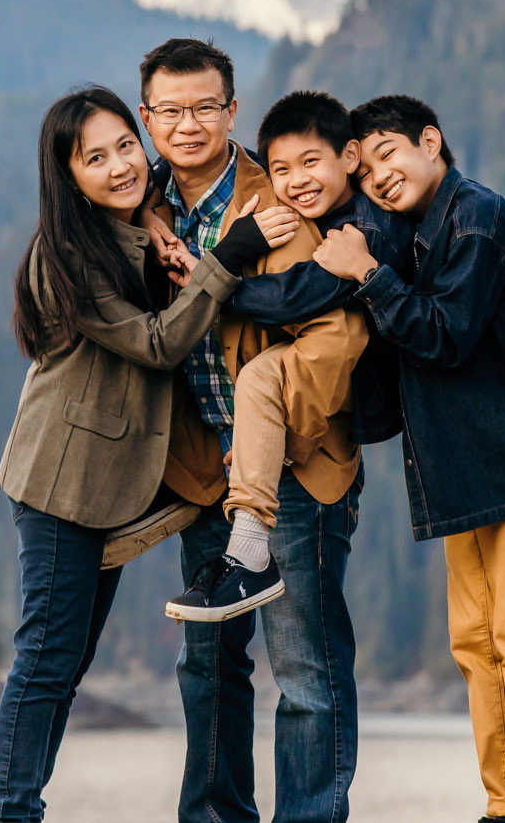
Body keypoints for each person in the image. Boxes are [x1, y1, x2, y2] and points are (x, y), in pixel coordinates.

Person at [0, 84, 292, 823]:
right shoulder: (69, 255)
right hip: (62, 483)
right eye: (96, 157)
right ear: (68, 174)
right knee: (47, 660)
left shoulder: (131, 218)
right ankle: (11, 812)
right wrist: (230, 256)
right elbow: (158, 344)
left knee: (65, 664)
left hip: (112, 480)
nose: (121, 165)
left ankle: (19, 808)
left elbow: (152, 214)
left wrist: (156, 218)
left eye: (127, 144)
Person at [312, 94, 505, 823]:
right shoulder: (412, 230)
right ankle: (504, 803)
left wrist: (365, 274)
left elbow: (444, 332)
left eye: (390, 154)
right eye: (368, 165)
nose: (380, 176)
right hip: (466, 477)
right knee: (479, 645)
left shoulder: (477, 217)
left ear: (431, 142)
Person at [134, 39, 368, 823]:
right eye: (171, 110)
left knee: (305, 669)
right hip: (201, 470)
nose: (189, 124)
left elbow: (337, 339)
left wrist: (268, 441)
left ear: (232, 110)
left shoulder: (278, 203)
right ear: (148, 118)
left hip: (293, 474)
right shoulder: (143, 209)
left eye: (206, 107)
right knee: (205, 665)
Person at [160, 89, 411, 622]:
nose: (297, 180)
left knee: (309, 660)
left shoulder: (364, 227)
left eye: (310, 162)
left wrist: (218, 280)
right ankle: (248, 555)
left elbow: (303, 299)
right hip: (213, 459)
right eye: (281, 169)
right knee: (212, 660)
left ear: (349, 157)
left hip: (343, 427)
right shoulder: (161, 203)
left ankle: (250, 552)